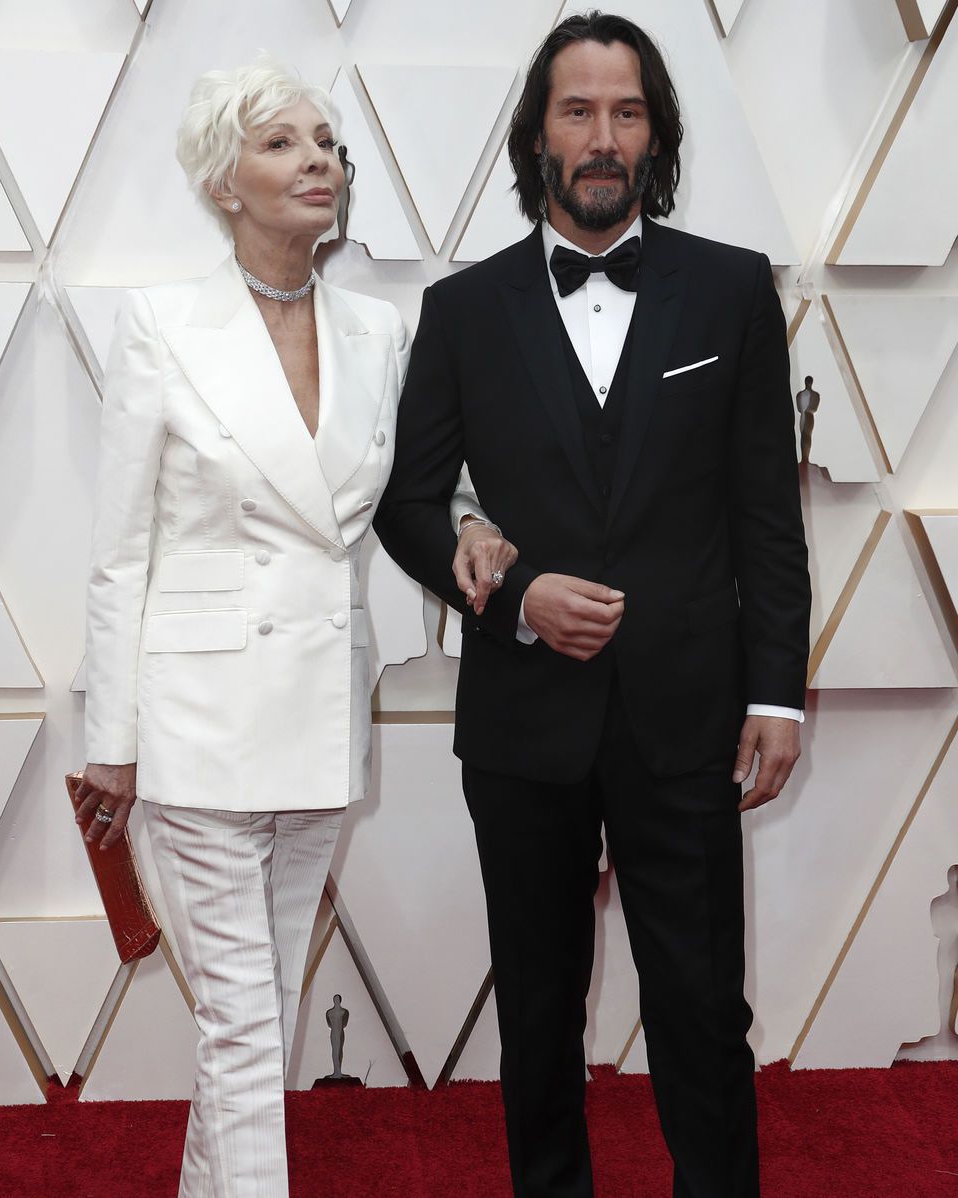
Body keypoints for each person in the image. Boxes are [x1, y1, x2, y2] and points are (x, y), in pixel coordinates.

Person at [374, 12, 810, 1198]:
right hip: (523, 723)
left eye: (626, 112)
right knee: (537, 1020)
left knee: (701, 1012)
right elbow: (408, 504)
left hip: (688, 717)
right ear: (538, 135)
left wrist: (777, 690)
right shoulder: (462, 310)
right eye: (578, 111)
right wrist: (514, 594)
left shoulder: (728, 290)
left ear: (656, 134)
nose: (602, 136)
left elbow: (766, 512)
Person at [75, 58, 507, 1198]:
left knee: (252, 1018)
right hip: (197, 721)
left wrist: (474, 528)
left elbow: (414, 493)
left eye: (328, 143)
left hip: (319, 710)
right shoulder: (160, 325)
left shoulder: (379, 330)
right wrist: (109, 738)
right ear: (225, 180)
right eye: (281, 143)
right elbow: (121, 553)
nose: (318, 160)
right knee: (241, 1021)